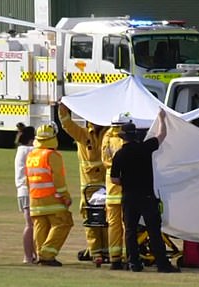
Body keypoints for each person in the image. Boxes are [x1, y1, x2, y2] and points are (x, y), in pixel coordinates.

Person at [110, 109, 180, 273]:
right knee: (154, 230)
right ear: (136, 136)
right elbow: (162, 135)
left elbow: (114, 179)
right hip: (147, 196)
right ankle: (162, 264)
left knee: (130, 230)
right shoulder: (145, 148)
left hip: (129, 196)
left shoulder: (119, 155)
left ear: (123, 138)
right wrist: (161, 118)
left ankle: (134, 263)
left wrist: (126, 182)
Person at [58, 103, 109, 266]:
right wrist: (63, 109)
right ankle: (95, 253)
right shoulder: (83, 134)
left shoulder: (109, 134)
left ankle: (108, 250)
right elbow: (67, 124)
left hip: (108, 185)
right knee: (92, 220)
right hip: (90, 188)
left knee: (108, 220)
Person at [26, 122, 73, 267]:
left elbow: (28, 178)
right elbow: (58, 179)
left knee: (41, 227)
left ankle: (41, 254)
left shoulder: (31, 155)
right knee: (64, 222)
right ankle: (47, 255)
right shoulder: (52, 155)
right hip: (52, 198)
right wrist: (65, 196)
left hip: (35, 199)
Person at [101, 112, 132, 270]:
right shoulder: (124, 140)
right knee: (128, 225)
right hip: (125, 188)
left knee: (113, 225)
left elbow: (105, 162)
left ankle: (115, 259)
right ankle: (129, 256)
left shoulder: (106, 138)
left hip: (110, 188)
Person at [14, 126, 36, 264]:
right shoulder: (27, 150)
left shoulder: (21, 150)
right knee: (30, 224)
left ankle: (33, 254)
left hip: (23, 191)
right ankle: (28, 256)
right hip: (27, 190)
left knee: (31, 224)